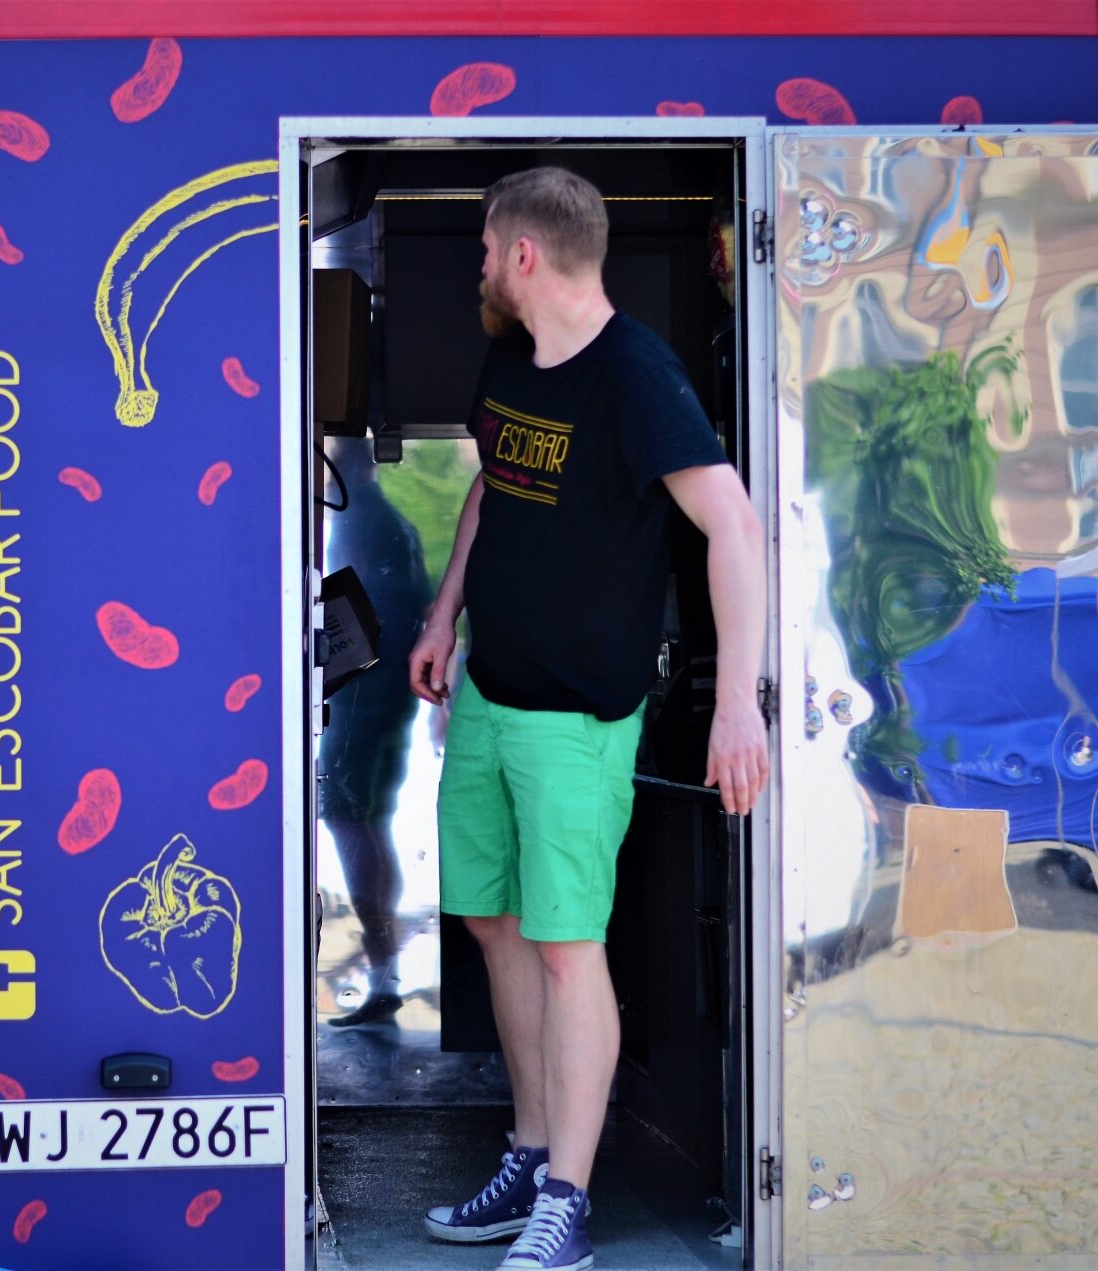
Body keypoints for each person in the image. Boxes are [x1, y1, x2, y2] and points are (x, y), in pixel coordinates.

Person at [411, 167, 768, 1271]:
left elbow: (733, 525)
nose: (479, 266)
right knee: (494, 921)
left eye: (486, 248)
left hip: (578, 719)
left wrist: (740, 702)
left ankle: (567, 1203)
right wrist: (444, 609)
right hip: (488, 692)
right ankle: (530, 1153)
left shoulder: (637, 375)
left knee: (569, 946)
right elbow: (491, 485)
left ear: (525, 254)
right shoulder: (512, 355)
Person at [318, 435, 433, 1027]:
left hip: (365, 694)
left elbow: (351, 613)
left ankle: (383, 967)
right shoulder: (394, 524)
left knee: (347, 816)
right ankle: (384, 973)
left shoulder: (358, 520)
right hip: (388, 694)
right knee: (367, 819)